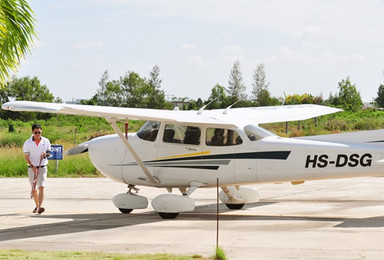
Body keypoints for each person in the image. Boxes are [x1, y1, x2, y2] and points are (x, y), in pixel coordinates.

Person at [23, 123, 51, 214]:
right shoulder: (27, 143)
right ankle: (37, 205)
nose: (38, 134)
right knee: (33, 189)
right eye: (36, 133)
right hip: (32, 168)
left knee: (41, 187)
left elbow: (49, 153)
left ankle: (39, 207)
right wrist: (32, 165)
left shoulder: (46, 141)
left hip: (42, 167)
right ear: (32, 132)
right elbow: (26, 156)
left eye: (39, 132)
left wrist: (45, 154)